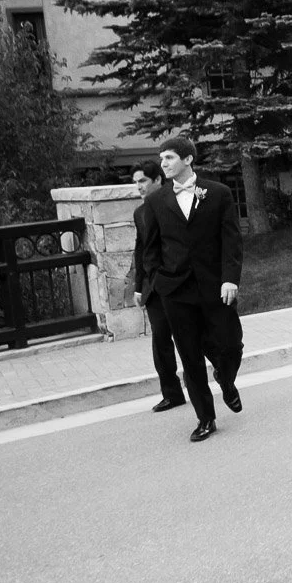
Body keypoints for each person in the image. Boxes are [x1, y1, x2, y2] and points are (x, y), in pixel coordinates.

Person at [140, 137, 244, 443]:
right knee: (189, 355)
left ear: (188, 159)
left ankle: (225, 378)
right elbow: (151, 248)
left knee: (231, 344)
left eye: (170, 157)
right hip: (175, 290)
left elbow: (232, 241)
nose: (164, 164)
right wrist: (159, 280)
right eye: (162, 159)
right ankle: (205, 418)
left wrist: (230, 278)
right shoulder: (156, 201)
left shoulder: (219, 193)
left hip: (215, 286)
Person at [131, 160, 186, 413]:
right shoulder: (140, 213)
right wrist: (138, 287)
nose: (139, 187)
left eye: (143, 181)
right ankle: (172, 394)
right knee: (160, 341)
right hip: (154, 289)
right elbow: (141, 249)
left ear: (157, 180)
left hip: (178, 284)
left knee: (190, 337)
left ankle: (217, 375)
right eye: (136, 183)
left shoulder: (174, 202)